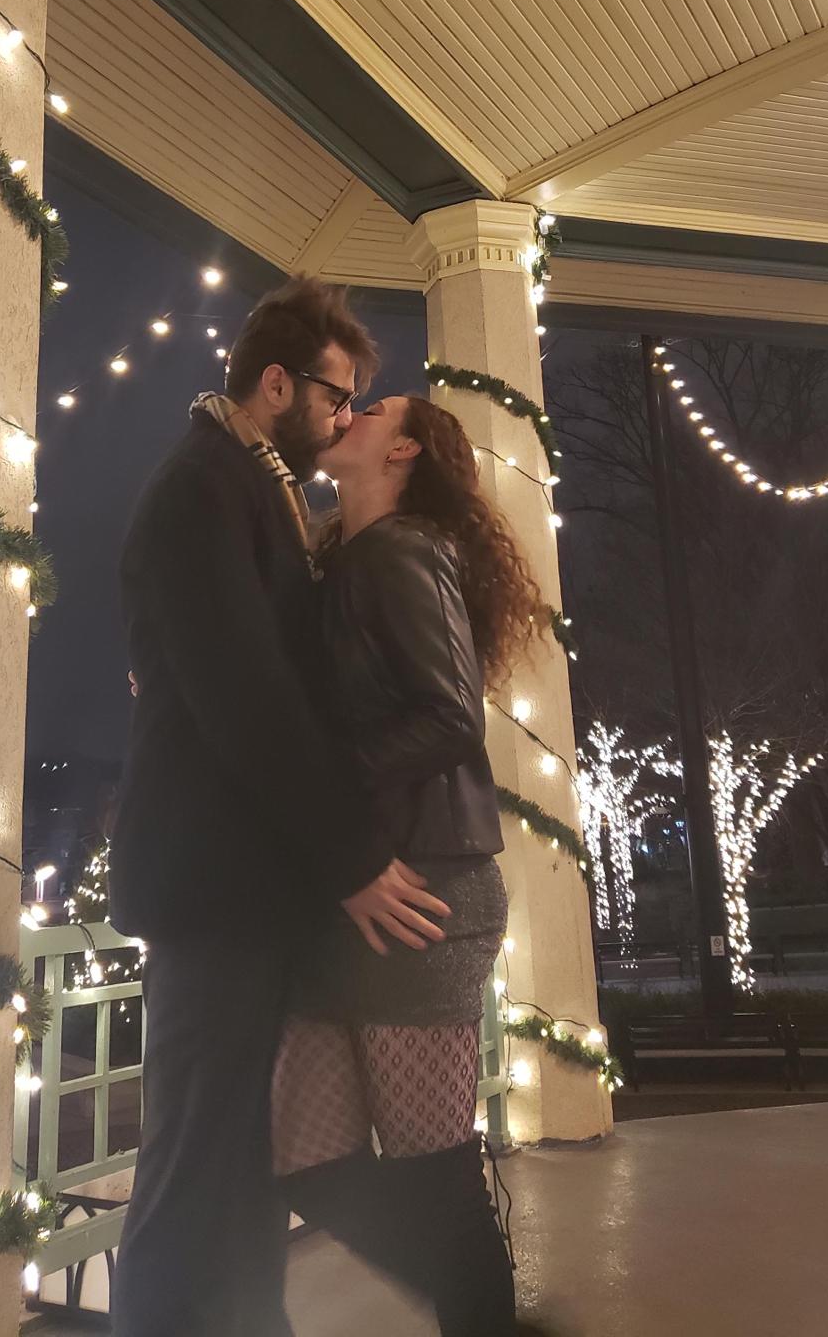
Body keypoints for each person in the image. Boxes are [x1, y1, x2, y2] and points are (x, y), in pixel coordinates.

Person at [108, 278, 451, 1337]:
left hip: (248, 890)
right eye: (336, 397)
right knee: (194, 1166)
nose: (344, 417)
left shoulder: (252, 489)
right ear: (275, 384)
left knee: (245, 1164)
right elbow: (246, 700)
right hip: (212, 896)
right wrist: (352, 856)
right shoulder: (202, 490)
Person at [272, 393, 551, 1336]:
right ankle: (482, 1306)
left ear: (403, 450)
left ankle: (483, 1316)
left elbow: (449, 718)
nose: (347, 407)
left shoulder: (401, 551)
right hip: (352, 894)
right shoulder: (346, 558)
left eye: (374, 406)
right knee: (309, 1160)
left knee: (437, 1172)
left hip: (422, 893)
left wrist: (313, 785)